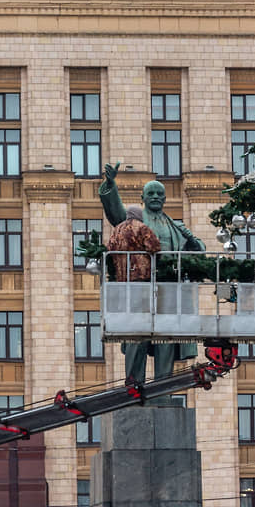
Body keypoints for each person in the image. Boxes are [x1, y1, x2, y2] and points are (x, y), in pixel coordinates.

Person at [99, 162, 204, 383]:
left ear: (165, 200)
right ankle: (133, 385)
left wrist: (191, 239)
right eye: (151, 193)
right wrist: (110, 184)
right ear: (142, 198)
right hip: (140, 287)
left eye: (159, 194)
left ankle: (162, 387)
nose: (155, 196)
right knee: (138, 336)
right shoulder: (134, 220)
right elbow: (116, 211)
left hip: (169, 288)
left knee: (165, 338)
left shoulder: (174, 225)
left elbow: (199, 251)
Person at [107, 206, 160, 282]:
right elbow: (154, 247)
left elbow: (110, 247)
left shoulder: (118, 228)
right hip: (140, 273)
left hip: (121, 274)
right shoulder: (142, 227)